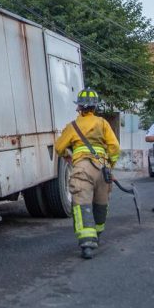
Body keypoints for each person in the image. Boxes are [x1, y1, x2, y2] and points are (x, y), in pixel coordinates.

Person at [54, 88, 120, 259]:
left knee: (82, 204)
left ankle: (86, 244)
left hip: (82, 168)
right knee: (101, 204)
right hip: (102, 168)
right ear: (95, 107)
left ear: (79, 108)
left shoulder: (72, 126)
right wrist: (110, 165)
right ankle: (96, 236)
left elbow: (59, 147)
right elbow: (114, 147)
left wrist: (70, 157)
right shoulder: (102, 123)